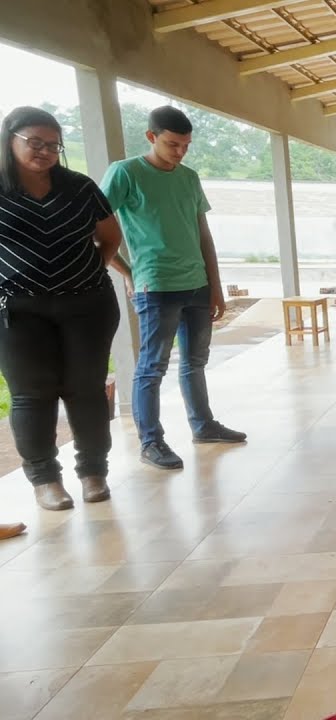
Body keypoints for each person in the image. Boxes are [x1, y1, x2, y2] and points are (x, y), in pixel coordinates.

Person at [101, 106, 246, 471]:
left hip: (196, 283)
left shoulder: (189, 177)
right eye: (172, 144)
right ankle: (151, 441)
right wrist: (128, 272)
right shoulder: (126, 172)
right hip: (156, 285)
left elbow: (203, 235)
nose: (179, 152)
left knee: (195, 361)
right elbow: (94, 229)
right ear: (151, 137)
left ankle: (203, 425)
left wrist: (215, 286)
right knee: (152, 366)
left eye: (185, 145)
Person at [0, 107, 123, 511]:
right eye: (35, 142)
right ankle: (45, 481)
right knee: (31, 396)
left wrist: (88, 273)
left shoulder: (79, 186)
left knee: (86, 390)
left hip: (87, 304)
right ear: (10, 139)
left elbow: (109, 235)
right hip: (18, 311)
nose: (45, 151)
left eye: (53, 145)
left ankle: (93, 473)